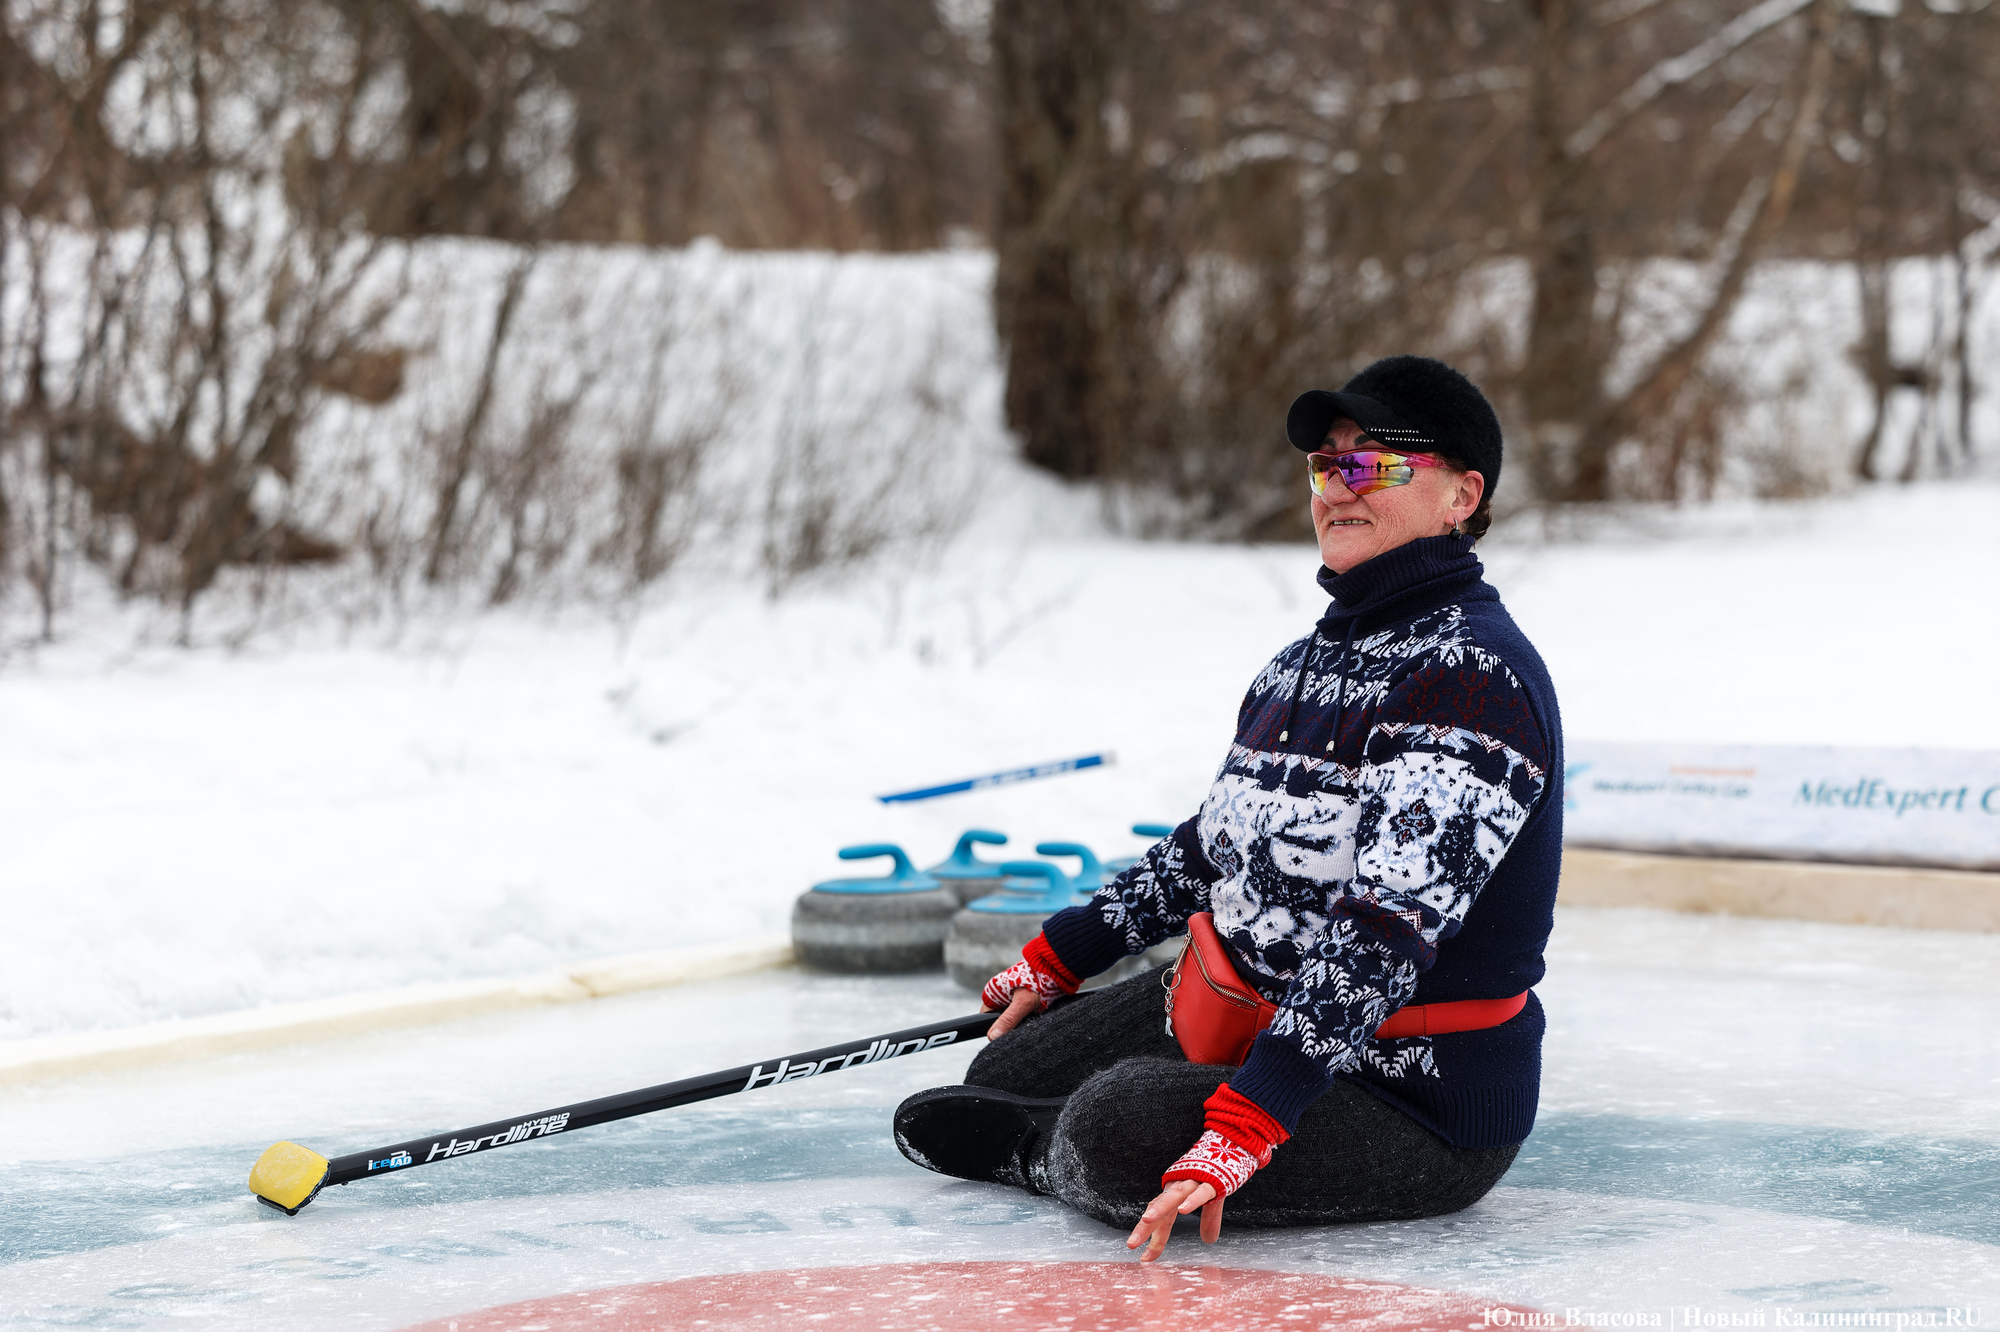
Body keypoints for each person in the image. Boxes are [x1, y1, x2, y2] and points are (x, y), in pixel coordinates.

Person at [893, 355, 1564, 1261]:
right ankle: (1092, 1120)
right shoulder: (1301, 664)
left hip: (1412, 1096)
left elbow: (1386, 930)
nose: (1338, 489)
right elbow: (1211, 851)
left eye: (1372, 464)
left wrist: (1249, 1118)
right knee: (1010, 1066)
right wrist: (1062, 955)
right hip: (1239, 1008)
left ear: (1461, 495)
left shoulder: (1471, 676)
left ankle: (1072, 1148)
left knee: (1112, 1127)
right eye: (1327, 467)